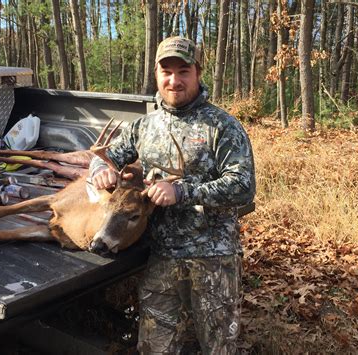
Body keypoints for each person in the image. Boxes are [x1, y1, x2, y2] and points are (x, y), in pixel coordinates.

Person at [89, 36, 255, 354]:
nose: (174, 80)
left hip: (212, 259)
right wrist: (102, 171)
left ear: (198, 73)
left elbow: (243, 186)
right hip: (161, 258)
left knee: (218, 347)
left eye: (183, 71)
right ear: (156, 73)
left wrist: (182, 191)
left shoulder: (223, 126)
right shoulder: (143, 126)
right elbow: (105, 157)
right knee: (154, 347)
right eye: (167, 71)